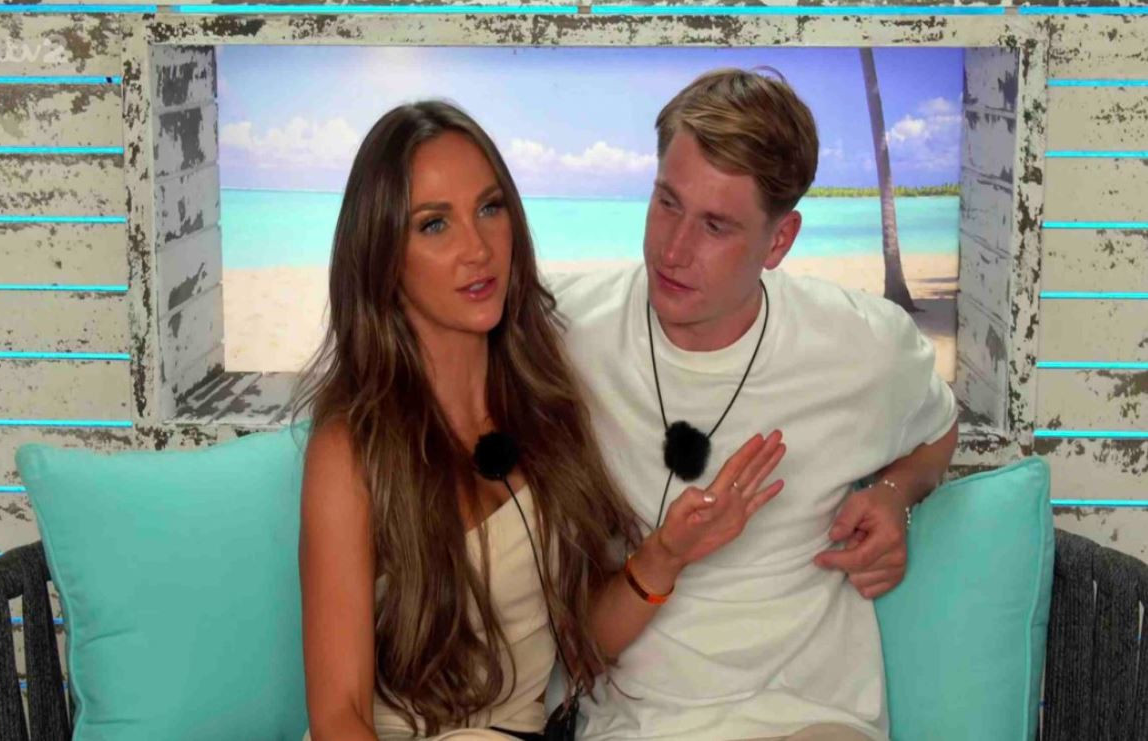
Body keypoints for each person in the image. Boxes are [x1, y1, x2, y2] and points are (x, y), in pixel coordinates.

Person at [290, 100, 788, 741]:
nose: (478, 248)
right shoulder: (351, 450)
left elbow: (583, 646)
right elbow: (339, 718)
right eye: (434, 225)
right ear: (383, 254)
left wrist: (667, 554)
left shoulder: (547, 405)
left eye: (490, 209)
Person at [544, 69, 960, 740]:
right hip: (636, 723)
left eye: (714, 225)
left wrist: (894, 490)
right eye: (665, 203)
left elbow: (937, 434)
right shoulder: (565, 331)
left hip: (810, 717)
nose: (673, 249)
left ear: (779, 241)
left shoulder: (865, 346)